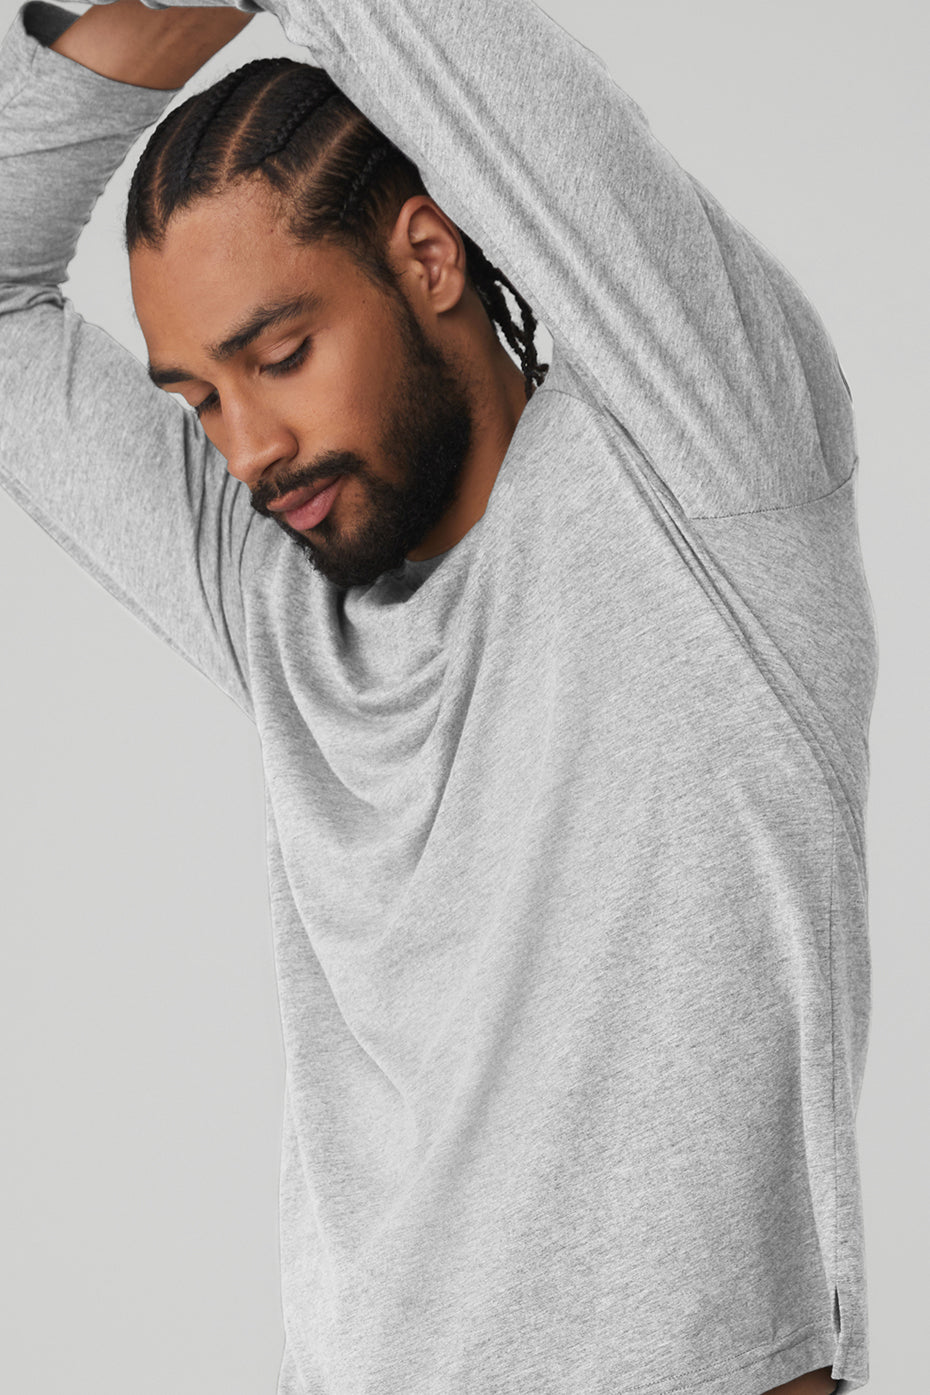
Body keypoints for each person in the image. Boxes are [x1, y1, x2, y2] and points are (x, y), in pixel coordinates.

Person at [0, 0, 876, 1391]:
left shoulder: (701, 461)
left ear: (428, 256)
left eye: (279, 355)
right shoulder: (278, 606)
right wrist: (109, 38)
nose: (249, 447)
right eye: (200, 398)